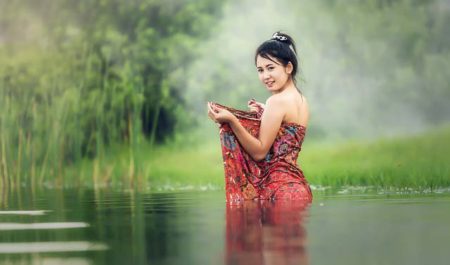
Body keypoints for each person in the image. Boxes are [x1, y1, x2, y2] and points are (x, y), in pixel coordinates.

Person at [207, 32, 312, 203]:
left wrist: (231, 120)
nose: (265, 76)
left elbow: (259, 152)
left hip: (279, 189)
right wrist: (265, 112)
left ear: (288, 68)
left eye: (271, 68)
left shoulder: (276, 102)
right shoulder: (301, 100)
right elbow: (287, 134)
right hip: (300, 188)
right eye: (260, 70)